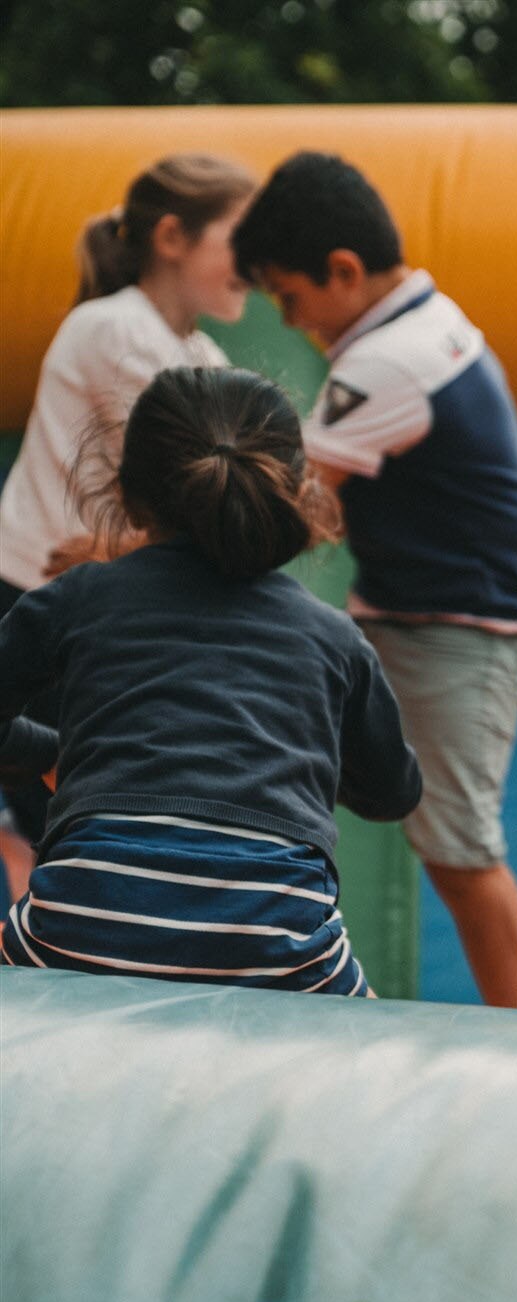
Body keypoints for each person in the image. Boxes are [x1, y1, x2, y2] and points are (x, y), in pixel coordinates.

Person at [232, 151, 517, 1008]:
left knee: (458, 849)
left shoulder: (388, 359)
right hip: (420, 611)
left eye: (291, 299)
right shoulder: (425, 324)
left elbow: (285, 505)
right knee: (294, 790)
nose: (295, 322)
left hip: (460, 628)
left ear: (343, 271)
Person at [0, 367, 421, 992]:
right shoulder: (333, 640)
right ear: (298, 496)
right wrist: (293, 765)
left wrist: (49, 752)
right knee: (361, 1057)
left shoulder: (81, 598)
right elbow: (394, 793)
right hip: (278, 941)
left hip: (82, 922)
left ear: (126, 492)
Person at [0, 153, 255, 869]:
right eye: (241, 238)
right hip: (41, 602)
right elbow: (199, 504)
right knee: (74, 838)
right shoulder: (116, 330)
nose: (257, 261)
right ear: (173, 236)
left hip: (93, 609)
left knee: (80, 834)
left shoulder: (193, 348)